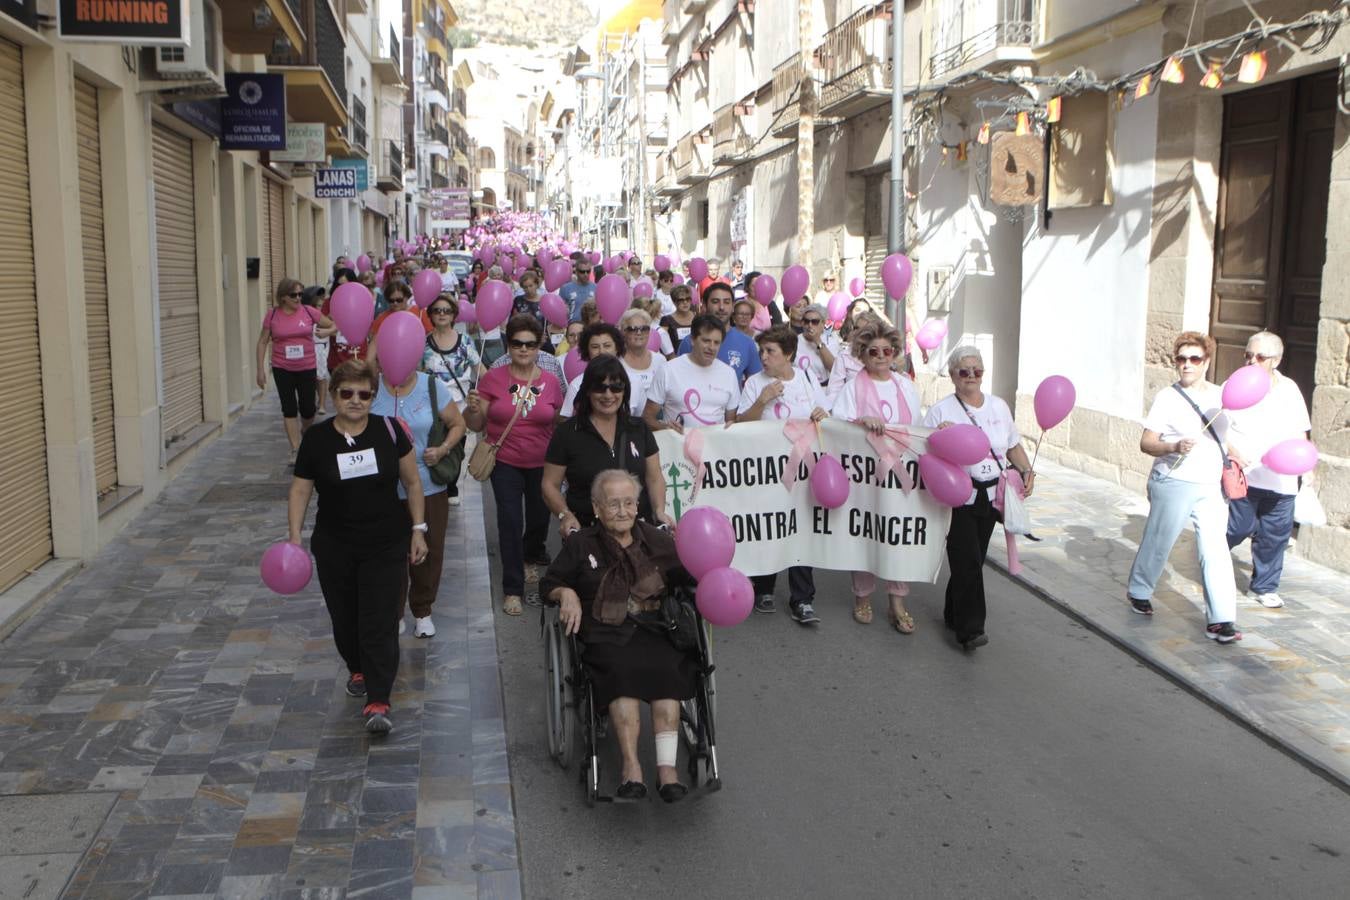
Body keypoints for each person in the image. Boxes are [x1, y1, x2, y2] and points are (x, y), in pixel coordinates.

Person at [540, 470, 698, 802]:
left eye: (629, 502)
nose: (623, 511)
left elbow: (687, 577)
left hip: (656, 628)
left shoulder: (658, 541)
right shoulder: (581, 544)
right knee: (620, 674)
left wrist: (706, 569)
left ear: (637, 505)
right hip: (605, 632)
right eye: (613, 504)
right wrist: (565, 593)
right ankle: (631, 768)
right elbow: (548, 583)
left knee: (668, 671)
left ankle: (667, 770)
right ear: (596, 508)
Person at [289, 360, 428, 735]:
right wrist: (294, 536)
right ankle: (358, 666)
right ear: (333, 395)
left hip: (385, 541)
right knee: (345, 617)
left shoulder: (388, 430)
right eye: (346, 393)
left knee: (379, 619)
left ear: (373, 396)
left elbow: (412, 483)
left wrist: (418, 528)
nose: (355, 400)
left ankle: (379, 699)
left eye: (364, 394)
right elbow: (301, 488)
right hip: (334, 543)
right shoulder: (317, 439)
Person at [1124, 332, 1241, 643]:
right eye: (1181, 359)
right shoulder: (1167, 397)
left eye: (1194, 359)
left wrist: (1245, 460)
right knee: (1159, 541)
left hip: (1211, 485)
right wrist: (1173, 445)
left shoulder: (1221, 397)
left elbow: (1227, 439)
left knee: (1215, 550)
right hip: (1173, 480)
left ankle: (1221, 619)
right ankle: (1139, 589)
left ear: (1206, 362)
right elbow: (1146, 442)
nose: (1187, 365)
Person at [922, 345, 1036, 651]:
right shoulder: (941, 411)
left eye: (977, 371)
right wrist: (939, 437)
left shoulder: (999, 407)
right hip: (958, 495)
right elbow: (922, 452)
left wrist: (1027, 470)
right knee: (968, 559)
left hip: (992, 495)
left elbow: (1012, 445)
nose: (971, 376)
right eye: (964, 371)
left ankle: (952, 612)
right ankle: (971, 630)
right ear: (952, 375)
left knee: (971, 560)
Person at [463, 315, 565, 616]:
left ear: (538, 347)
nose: (523, 349)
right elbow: (476, 424)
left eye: (530, 344)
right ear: (509, 345)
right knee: (509, 521)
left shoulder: (549, 381)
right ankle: (512, 588)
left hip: (542, 462)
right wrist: (473, 410)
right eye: (517, 343)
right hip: (504, 460)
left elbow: (557, 420)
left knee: (538, 518)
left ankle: (530, 557)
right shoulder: (493, 378)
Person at [832, 324, 923, 633]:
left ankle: (897, 601)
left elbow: (918, 429)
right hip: (865, 478)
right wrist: (860, 421)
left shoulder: (905, 386)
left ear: (895, 353)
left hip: (899, 477)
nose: (881, 357)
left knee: (898, 534)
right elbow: (836, 427)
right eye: (874, 352)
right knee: (867, 533)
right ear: (862, 355)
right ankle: (862, 596)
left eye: (887, 351)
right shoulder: (853, 388)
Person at [737, 326, 828, 624]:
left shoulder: (807, 378)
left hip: (803, 470)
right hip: (767, 472)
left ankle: (802, 599)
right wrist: (763, 399)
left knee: (800, 531)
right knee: (770, 527)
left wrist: (820, 415)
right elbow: (741, 424)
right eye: (762, 351)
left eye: (770, 351)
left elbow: (826, 414)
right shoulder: (754, 383)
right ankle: (764, 587)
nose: (764, 357)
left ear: (788, 354)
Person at [371, 358, 467, 637]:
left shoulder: (431, 386)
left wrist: (443, 449)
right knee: (390, 553)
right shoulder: (372, 387)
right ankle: (395, 611)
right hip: (384, 489)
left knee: (429, 550)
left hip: (428, 487)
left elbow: (458, 424)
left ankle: (423, 610)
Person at [1225, 331, 1312, 609]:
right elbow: (1220, 428)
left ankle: (1264, 586)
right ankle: (1212, 549)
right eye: (1248, 355)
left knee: (1275, 534)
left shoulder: (1290, 390)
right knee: (1238, 527)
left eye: (1260, 357)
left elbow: (1300, 431)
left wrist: (1305, 466)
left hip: (1281, 478)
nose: (1252, 361)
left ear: (1276, 360)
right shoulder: (1234, 384)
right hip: (1245, 476)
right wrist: (1232, 451)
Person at [544, 356, 671, 537]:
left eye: (616, 387)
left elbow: (654, 477)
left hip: (637, 530)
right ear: (587, 390)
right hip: (588, 533)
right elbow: (549, 484)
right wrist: (565, 515)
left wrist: (659, 510)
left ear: (624, 390)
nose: (608, 395)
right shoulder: (567, 433)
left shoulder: (638, 428)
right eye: (600, 388)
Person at [256, 278, 336, 463]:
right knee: (289, 408)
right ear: (283, 297)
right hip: (282, 367)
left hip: (307, 366)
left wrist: (328, 332)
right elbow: (262, 342)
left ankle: (305, 430)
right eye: (294, 295)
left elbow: (334, 324)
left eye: (301, 294)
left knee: (308, 409)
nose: (298, 298)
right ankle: (295, 448)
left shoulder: (309, 311)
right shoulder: (273, 315)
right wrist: (260, 369)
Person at [421, 294, 483, 506]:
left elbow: (481, 370)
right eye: (437, 310)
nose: (441, 314)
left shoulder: (465, 342)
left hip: (459, 405)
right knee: (433, 442)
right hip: (430, 405)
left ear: (454, 315)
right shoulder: (423, 343)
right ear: (430, 314)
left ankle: (451, 482)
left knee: (456, 447)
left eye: (446, 310)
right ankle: (436, 481)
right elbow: (417, 374)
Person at [646, 314, 740, 432]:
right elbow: (647, 418)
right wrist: (666, 428)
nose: (711, 347)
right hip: (677, 447)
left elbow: (730, 422)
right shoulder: (668, 370)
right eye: (706, 341)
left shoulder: (729, 374)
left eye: (716, 343)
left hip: (716, 448)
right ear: (692, 340)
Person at [676, 282, 763, 382]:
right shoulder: (690, 341)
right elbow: (679, 380)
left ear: (733, 306)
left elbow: (755, 384)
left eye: (726, 302)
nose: (721, 307)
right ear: (704, 305)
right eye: (715, 301)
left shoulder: (747, 343)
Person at [560, 322, 625, 416]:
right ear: (587, 351)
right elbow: (566, 419)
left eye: (607, 346)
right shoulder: (576, 385)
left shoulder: (633, 381)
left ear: (617, 348)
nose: (601, 351)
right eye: (595, 347)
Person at [618, 308, 668, 416]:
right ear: (623, 332)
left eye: (644, 328)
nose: (639, 333)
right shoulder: (617, 363)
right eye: (632, 329)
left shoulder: (660, 360)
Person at [301, 285, 330, 415]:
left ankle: (322, 403)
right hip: (306, 347)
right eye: (317, 305)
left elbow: (335, 328)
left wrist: (327, 331)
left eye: (320, 305)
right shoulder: (305, 314)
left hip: (319, 346)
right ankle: (311, 401)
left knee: (321, 376)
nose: (319, 308)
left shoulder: (324, 317)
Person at [795, 302, 838, 387]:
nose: (810, 325)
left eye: (815, 322)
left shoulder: (831, 341)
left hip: (824, 389)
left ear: (823, 323)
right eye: (806, 321)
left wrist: (817, 341)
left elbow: (834, 369)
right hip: (801, 388)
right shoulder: (794, 341)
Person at [659, 284, 696, 355]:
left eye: (688, 299)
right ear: (674, 302)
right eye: (681, 300)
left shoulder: (698, 318)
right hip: (675, 360)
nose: (685, 302)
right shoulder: (666, 320)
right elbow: (663, 345)